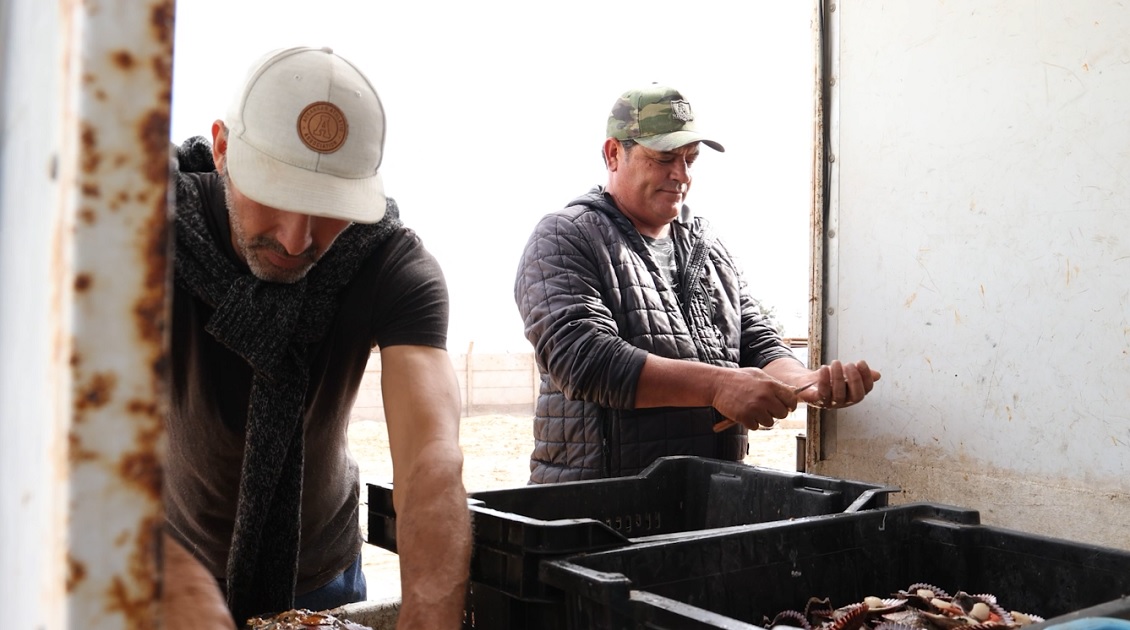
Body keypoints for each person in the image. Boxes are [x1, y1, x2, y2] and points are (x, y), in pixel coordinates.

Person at [165, 46, 470, 628]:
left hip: (326, 574)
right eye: (274, 194)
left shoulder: (390, 264)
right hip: (169, 558)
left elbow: (430, 461)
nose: (297, 239)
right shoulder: (144, 236)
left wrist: (431, 611)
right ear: (223, 149)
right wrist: (170, 575)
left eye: (329, 208)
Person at [513, 84, 880, 484]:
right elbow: (582, 358)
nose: (682, 175)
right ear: (613, 153)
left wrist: (805, 383)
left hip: (707, 498)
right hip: (600, 503)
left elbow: (755, 340)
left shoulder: (707, 247)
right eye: (664, 158)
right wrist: (719, 386)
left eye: (690, 159)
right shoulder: (565, 237)